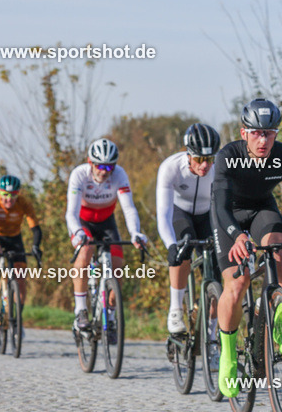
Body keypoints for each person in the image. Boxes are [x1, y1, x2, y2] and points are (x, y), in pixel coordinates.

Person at [212, 98, 282, 397]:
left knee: (278, 248)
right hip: (228, 214)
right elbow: (220, 206)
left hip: (262, 209)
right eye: (256, 133)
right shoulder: (227, 156)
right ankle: (228, 352)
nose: (263, 140)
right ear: (244, 132)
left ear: (276, 133)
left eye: (270, 133)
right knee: (237, 283)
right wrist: (236, 235)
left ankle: (277, 313)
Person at [65, 138, 147, 332]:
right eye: (100, 166)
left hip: (106, 222)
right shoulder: (79, 175)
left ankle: (109, 316)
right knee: (85, 252)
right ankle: (81, 310)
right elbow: (71, 212)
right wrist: (77, 233)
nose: (104, 171)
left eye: (109, 167)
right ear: (90, 162)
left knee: (117, 267)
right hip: (82, 223)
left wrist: (135, 232)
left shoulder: (119, 175)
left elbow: (129, 208)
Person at [156, 123, 220, 334]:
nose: (205, 165)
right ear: (188, 154)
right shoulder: (170, 168)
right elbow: (163, 214)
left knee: (219, 270)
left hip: (207, 215)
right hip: (179, 213)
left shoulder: (219, 168)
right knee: (184, 244)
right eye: (200, 159)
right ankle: (175, 309)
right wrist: (170, 245)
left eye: (210, 159)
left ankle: (211, 334)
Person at [0, 175, 42, 318]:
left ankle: (17, 317)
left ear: (18, 193)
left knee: (21, 277)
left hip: (14, 238)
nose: (9, 199)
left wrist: (36, 246)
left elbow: (36, 229)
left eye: (13, 195)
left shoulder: (23, 203)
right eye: (5, 195)